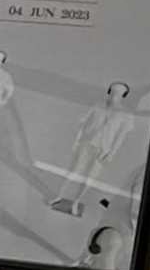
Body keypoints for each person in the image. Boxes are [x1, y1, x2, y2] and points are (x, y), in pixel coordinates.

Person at [57, 82, 142, 214]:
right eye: (113, 92)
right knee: (73, 171)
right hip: (87, 144)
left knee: (90, 178)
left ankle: (76, 202)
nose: (115, 96)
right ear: (109, 92)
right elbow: (83, 124)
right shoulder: (97, 106)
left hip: (103, 150)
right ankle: (58, 196)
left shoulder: (126, 115)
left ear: (123, 96)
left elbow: (120, 138)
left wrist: (111, 153)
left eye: (119, 94)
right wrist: (77, 141)